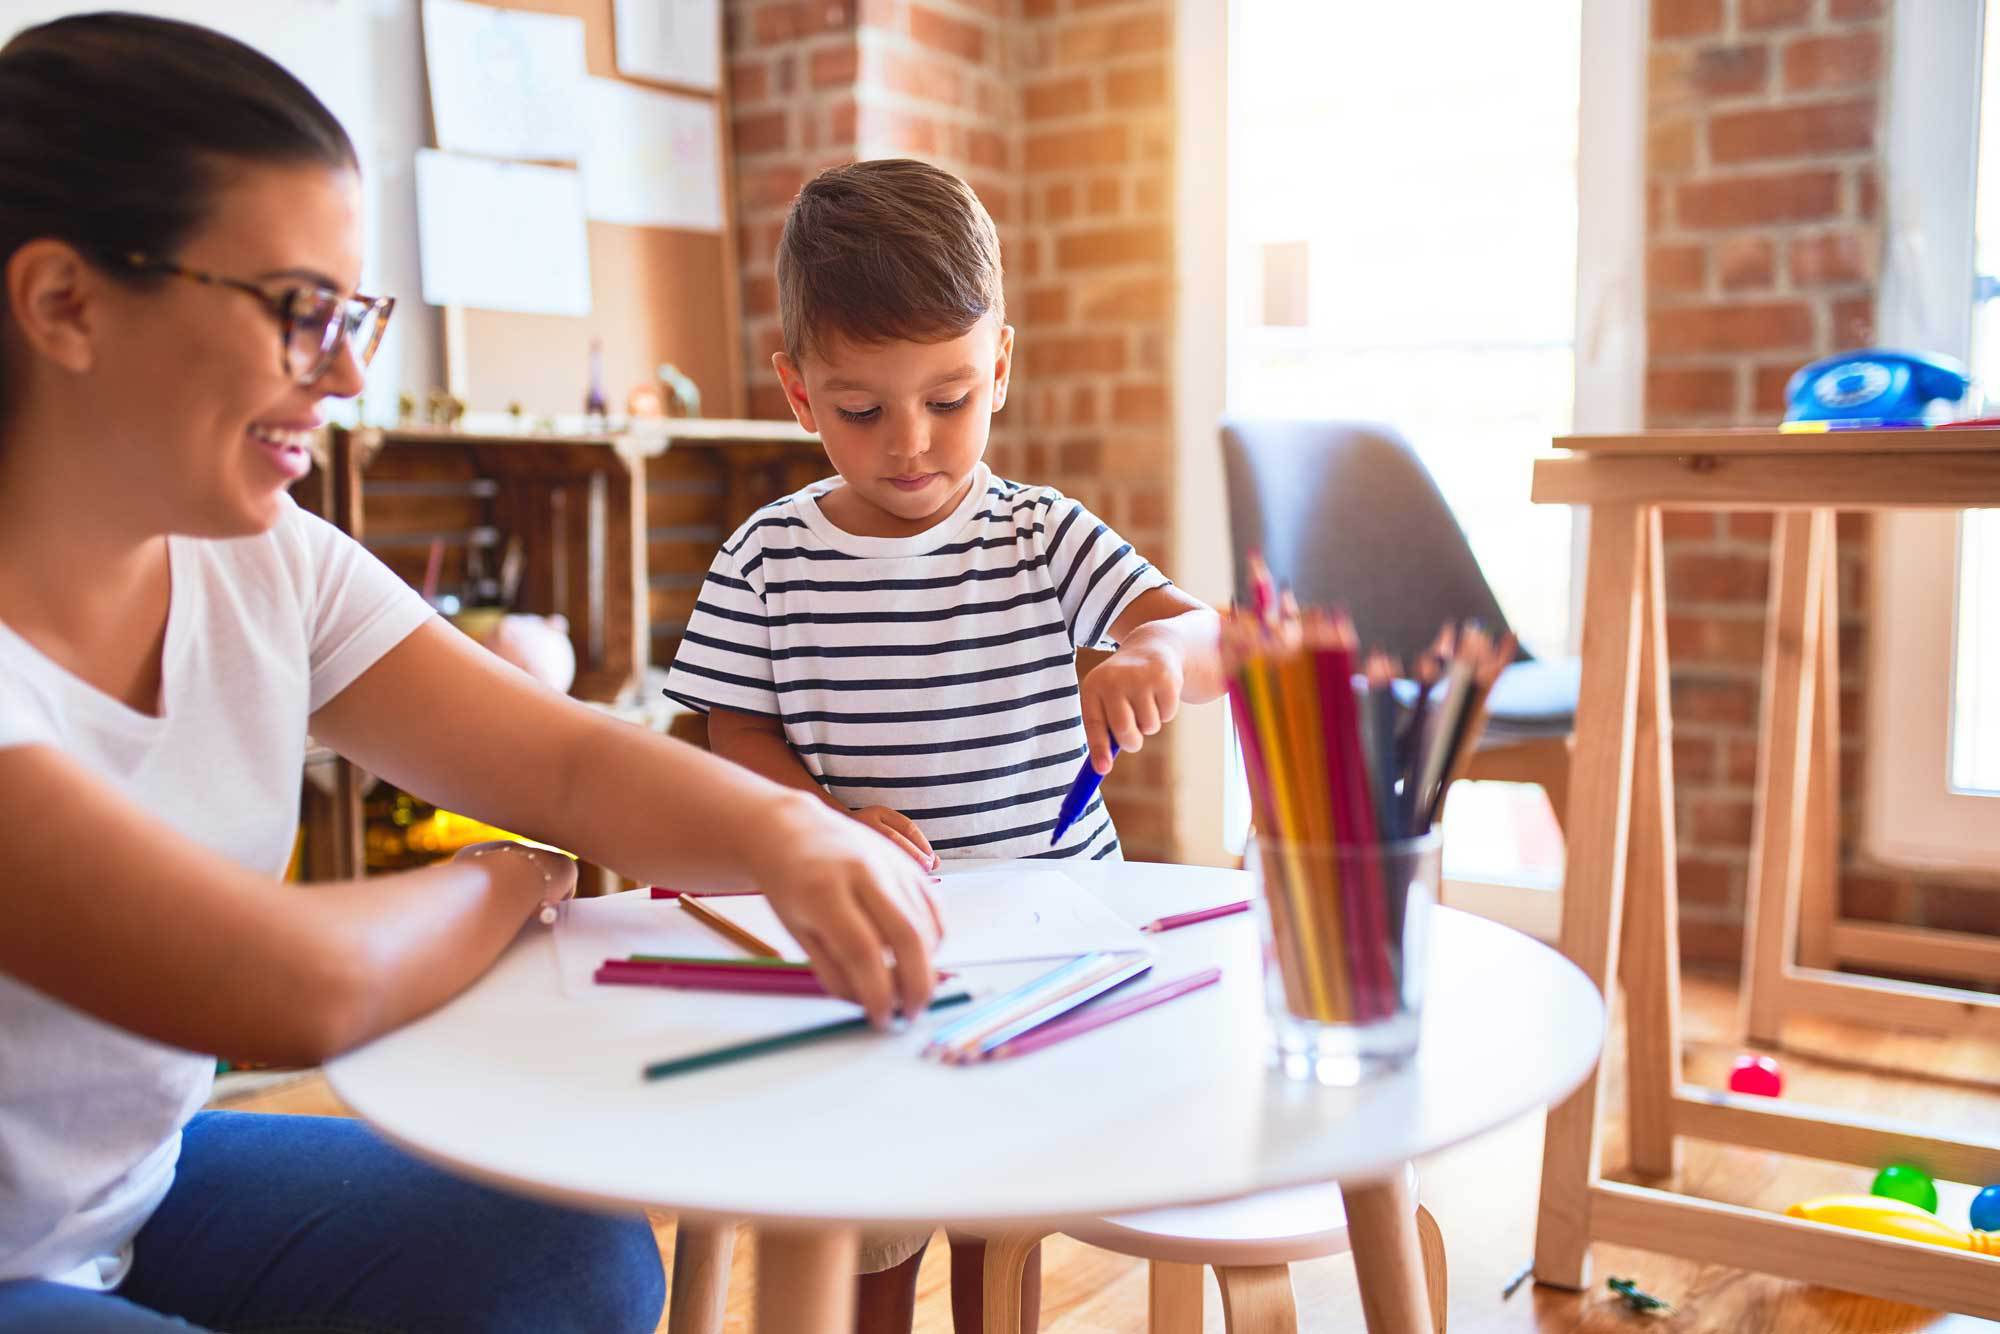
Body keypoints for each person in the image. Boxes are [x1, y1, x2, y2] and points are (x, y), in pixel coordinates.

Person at [0, 16, 937, 1332]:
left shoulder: (268, 566)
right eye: (298, 311)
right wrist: (502, 878)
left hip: (115, 1200)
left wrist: (796, 831)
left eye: (354, 311)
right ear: (65, 304)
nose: (348, 369)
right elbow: (298, 981)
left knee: (572, 1258)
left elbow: (554, 754)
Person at [662, 158, 1224, 1334]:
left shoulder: (1037, 534)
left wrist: (1155, 661)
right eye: (861, 408)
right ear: (797, 391)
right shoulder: (765, 557)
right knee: (868, 1223)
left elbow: (1208, 632)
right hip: (871, 948)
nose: (910, 444)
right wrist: (815, 818)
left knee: (999, 1223)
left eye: (949, 397)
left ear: (1001, 365)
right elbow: (732, 730)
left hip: (1042, 954)